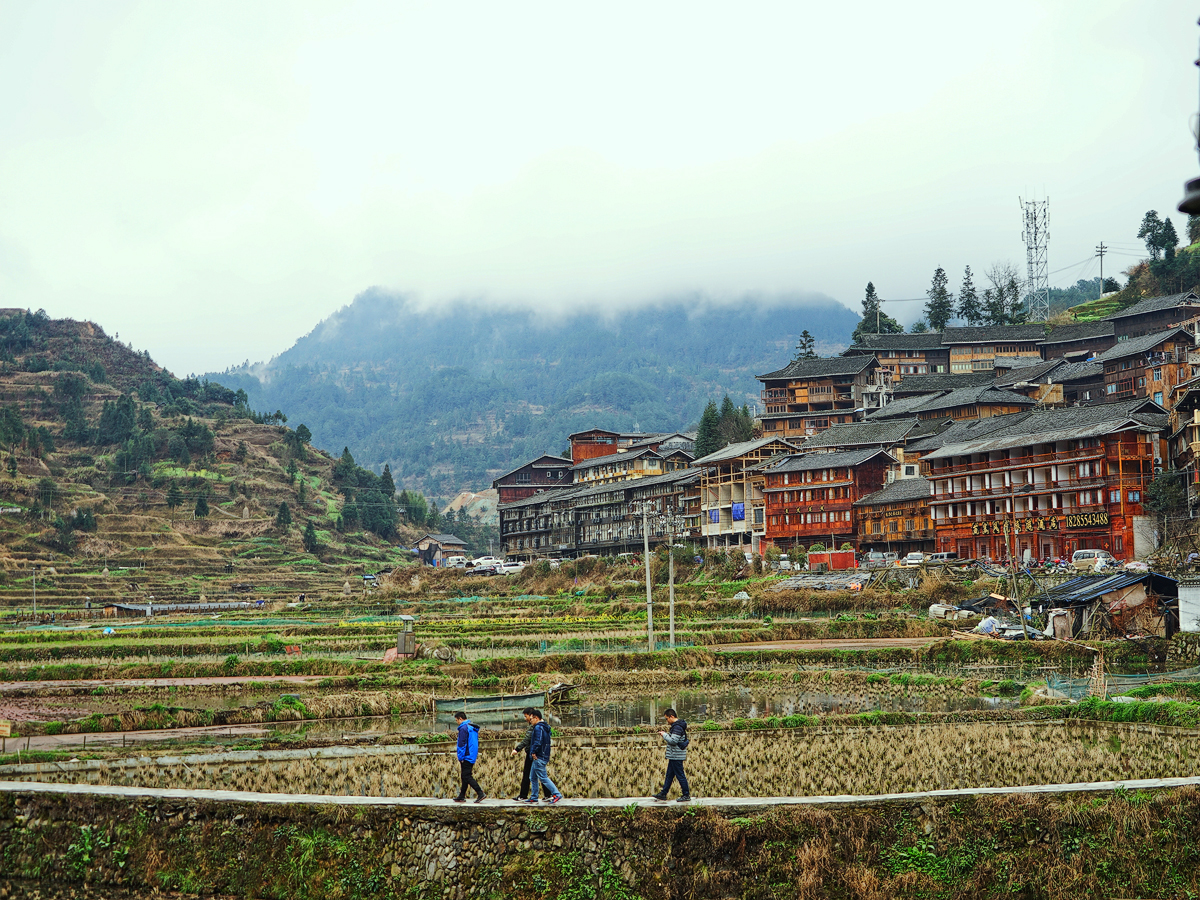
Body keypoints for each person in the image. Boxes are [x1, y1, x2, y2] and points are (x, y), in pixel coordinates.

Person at [524, 709, 562, 804]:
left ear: (536, 718)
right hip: (544, 755)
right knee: (532, 777)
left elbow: (538, 741)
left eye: (531, 719)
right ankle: (534, 796)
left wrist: (533, 752)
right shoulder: (545, 727)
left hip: (539, 756)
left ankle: (556, 794)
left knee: (543, 777)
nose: (530, 721)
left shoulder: (538, 728)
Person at [652, 708, 691, 803]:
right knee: (669, 775)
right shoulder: (678, 726)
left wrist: (664, 735)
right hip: (674, 755)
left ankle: (686, 795)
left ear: (671, 717)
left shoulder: (677, 727)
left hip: (676, 755)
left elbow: (673, 741)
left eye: (667, 719)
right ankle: (663, 793)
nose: (667, 721)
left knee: (680, 775)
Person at [452, 712, 486, 803]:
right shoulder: (471, 727)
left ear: (460, 719)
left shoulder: (463, 728)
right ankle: (462, 795)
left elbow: (462, 744)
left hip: (466, 755)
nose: (457, 722)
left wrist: (461, 757)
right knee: (464, 776)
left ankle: (480, 792)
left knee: (466, 776)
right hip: (472, 754)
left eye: (457, 720)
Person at [510, 708, 536, 801]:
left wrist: (517, 749)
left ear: (531, 716)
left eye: (526, 716)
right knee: (539, 774)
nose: (525, 719)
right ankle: (549, 794)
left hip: (532, 753)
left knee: (527, 774)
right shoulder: (537, 725)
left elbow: (526, 740)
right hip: (534, 752)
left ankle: (523, 795)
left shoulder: (533, 726)